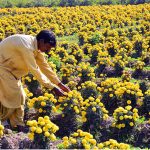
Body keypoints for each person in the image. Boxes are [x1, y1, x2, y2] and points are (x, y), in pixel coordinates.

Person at [0, 30, 70, 132]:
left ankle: (17, 124)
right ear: (41, 41)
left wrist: (59, 83)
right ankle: (3, 121)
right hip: (3, 68)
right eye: (48, 47)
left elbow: (45, 66)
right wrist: (53, 87)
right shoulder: (27, 46)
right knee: (15, 95)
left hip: (12, 71)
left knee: (21, 97)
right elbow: (34, 69)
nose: (48, 51)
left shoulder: (36, 48)